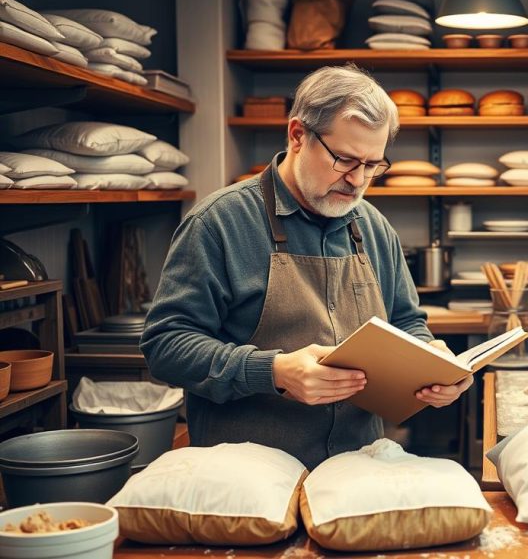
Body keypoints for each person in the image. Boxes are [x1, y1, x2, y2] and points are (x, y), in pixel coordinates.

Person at [141, 64, 471, 469]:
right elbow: (166, 346)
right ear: (298, 135)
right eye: (345, 160)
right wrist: (273, 371)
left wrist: (432, 363)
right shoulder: (218, 223)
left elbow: (405, 321)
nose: (357, 181)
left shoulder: (373, 226)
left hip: (357, 465)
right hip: (247, 474)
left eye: (373, 166)